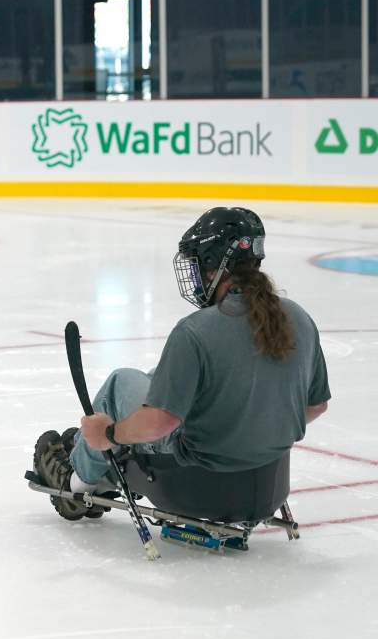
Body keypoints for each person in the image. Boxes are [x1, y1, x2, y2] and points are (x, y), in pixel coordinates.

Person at [33, 207, 331, 520]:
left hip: (198, 484)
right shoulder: (299, 318)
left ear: (215, 266)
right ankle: (94, 456)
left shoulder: (196, 330)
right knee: (154, 379)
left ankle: (77, 484)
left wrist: (107, 434)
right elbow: (316, 405)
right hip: (267, 485)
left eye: (199, 265)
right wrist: (257, 427)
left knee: (122, 382)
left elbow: (160, 423)